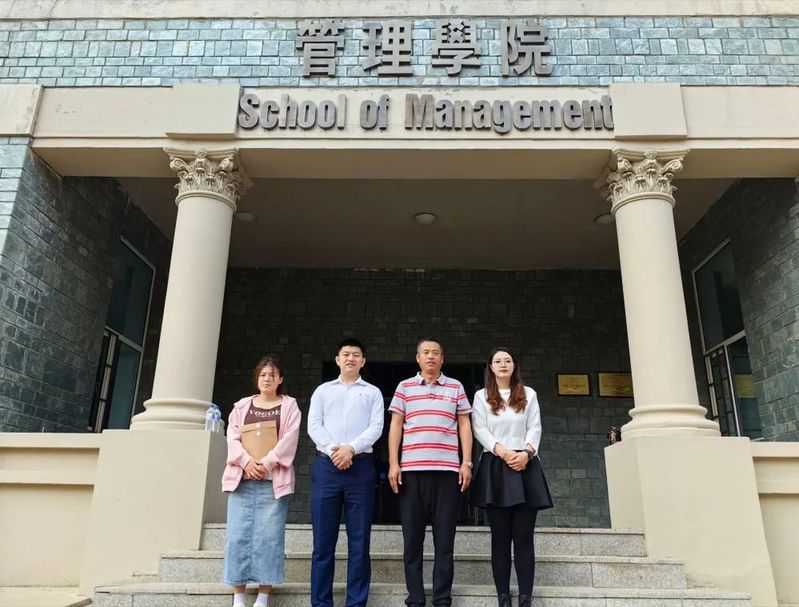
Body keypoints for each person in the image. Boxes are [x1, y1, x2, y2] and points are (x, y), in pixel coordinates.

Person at [388, 339, 473, 607]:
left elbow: (464, 425)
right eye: (426, 352)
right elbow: (396, 425)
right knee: (412, 540)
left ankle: (442, 598)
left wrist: (467, 462)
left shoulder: (455, 387)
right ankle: (415, 598)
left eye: (435, 353)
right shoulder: (405, 387)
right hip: (411, 472)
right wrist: (393, 463)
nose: (430, 357)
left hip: (447, 472)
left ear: (442, 358)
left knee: (445, 540)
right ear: (418, 358)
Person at [471, 348, 553, 607]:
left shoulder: (529, 394)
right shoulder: (481, 396)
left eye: (507, 360)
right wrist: (503, 452)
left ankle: (525, 596)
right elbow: (479, 428)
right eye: (498, 361)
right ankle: (503, 596)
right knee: (500, 538)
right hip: (495, 466)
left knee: (524, 537)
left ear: (514, 365)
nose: (503, 364)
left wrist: (526, 453)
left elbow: (535, 426)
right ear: (491, 367)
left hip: (525, 465)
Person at [307, 338, 385, 607]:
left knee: (360, 542)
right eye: (346, 354)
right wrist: (335, 451)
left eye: (356, 354)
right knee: (322, 543)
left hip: (360, 468)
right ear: (337, 359)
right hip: (326, 468)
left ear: (363, 361)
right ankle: (321, 603)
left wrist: (350, 449)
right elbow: (314, 425)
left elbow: (376, 427)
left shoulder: (373, 392)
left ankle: (356, 602)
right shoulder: (323, 391)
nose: (351, 358)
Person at [221, 356, 301, 607]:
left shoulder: (289, 407)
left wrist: (265, 464)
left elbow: (289, 439)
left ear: (280, 379)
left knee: (270, 539)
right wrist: (246, 462)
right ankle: (238, 595)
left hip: (272, 482)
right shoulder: (241, 406)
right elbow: (232, 438)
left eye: (272, 375)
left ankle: (263, 596)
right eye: (263, 374)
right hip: (242, 480)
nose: (267, 379)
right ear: (257, 378)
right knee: (237, 537)